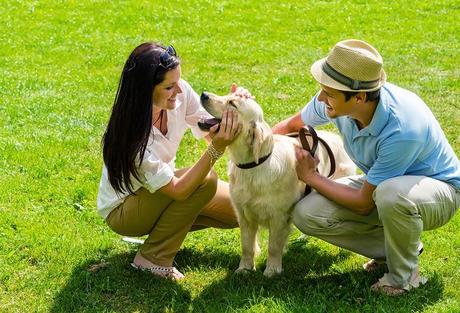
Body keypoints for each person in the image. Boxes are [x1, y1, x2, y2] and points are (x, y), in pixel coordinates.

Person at [272, 39, 460, 296]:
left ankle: (402, 278)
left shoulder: (403, 128)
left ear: (359, 97)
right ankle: (396, 249)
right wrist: (256, 156)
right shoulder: (335, 99)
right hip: (382, 184)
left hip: (439, 193)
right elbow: (289, 126)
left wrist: (311, 177)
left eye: (329, 93)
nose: (320, 98)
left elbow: (362, 203)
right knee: (306, 213)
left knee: (391, 194)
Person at [97, 42, 244, 280]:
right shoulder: (133, 138)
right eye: (169, 87)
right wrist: (216, 150)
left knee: (241, 210)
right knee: (204, 181)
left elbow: (209, 130)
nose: (179, 91)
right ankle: (153, 257)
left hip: (158, 190)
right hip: (124, 210)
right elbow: (178, 190)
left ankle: (166, 232)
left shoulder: (179, 92)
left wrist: (234, 107)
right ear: (146, 90)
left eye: (178, 83)